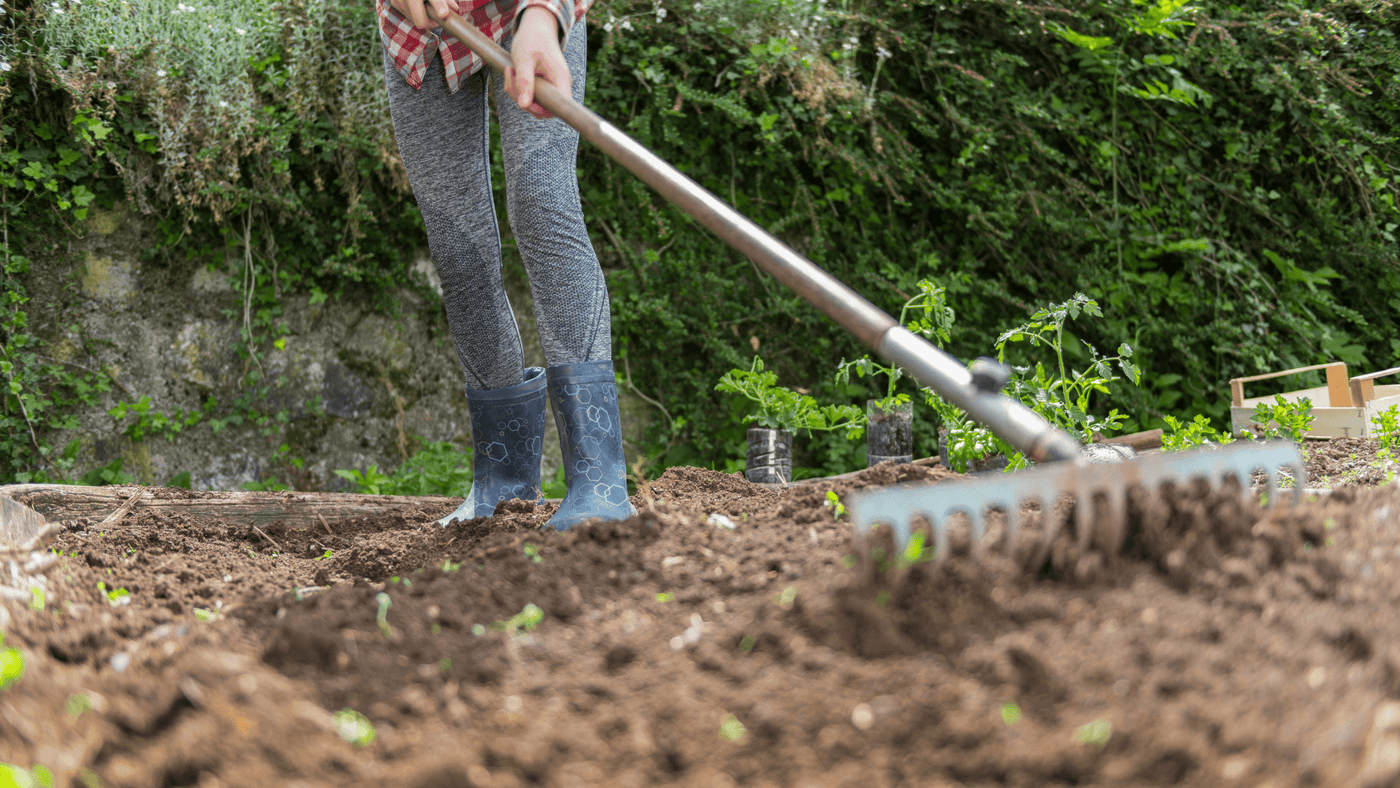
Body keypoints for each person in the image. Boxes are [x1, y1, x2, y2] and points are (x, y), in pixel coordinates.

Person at [377, 0, 635, 530]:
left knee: (544, 203)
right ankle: (504, 483)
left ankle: (599, 482)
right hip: (419, 29)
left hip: (527, 12)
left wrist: (542, 18)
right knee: (457, 247)